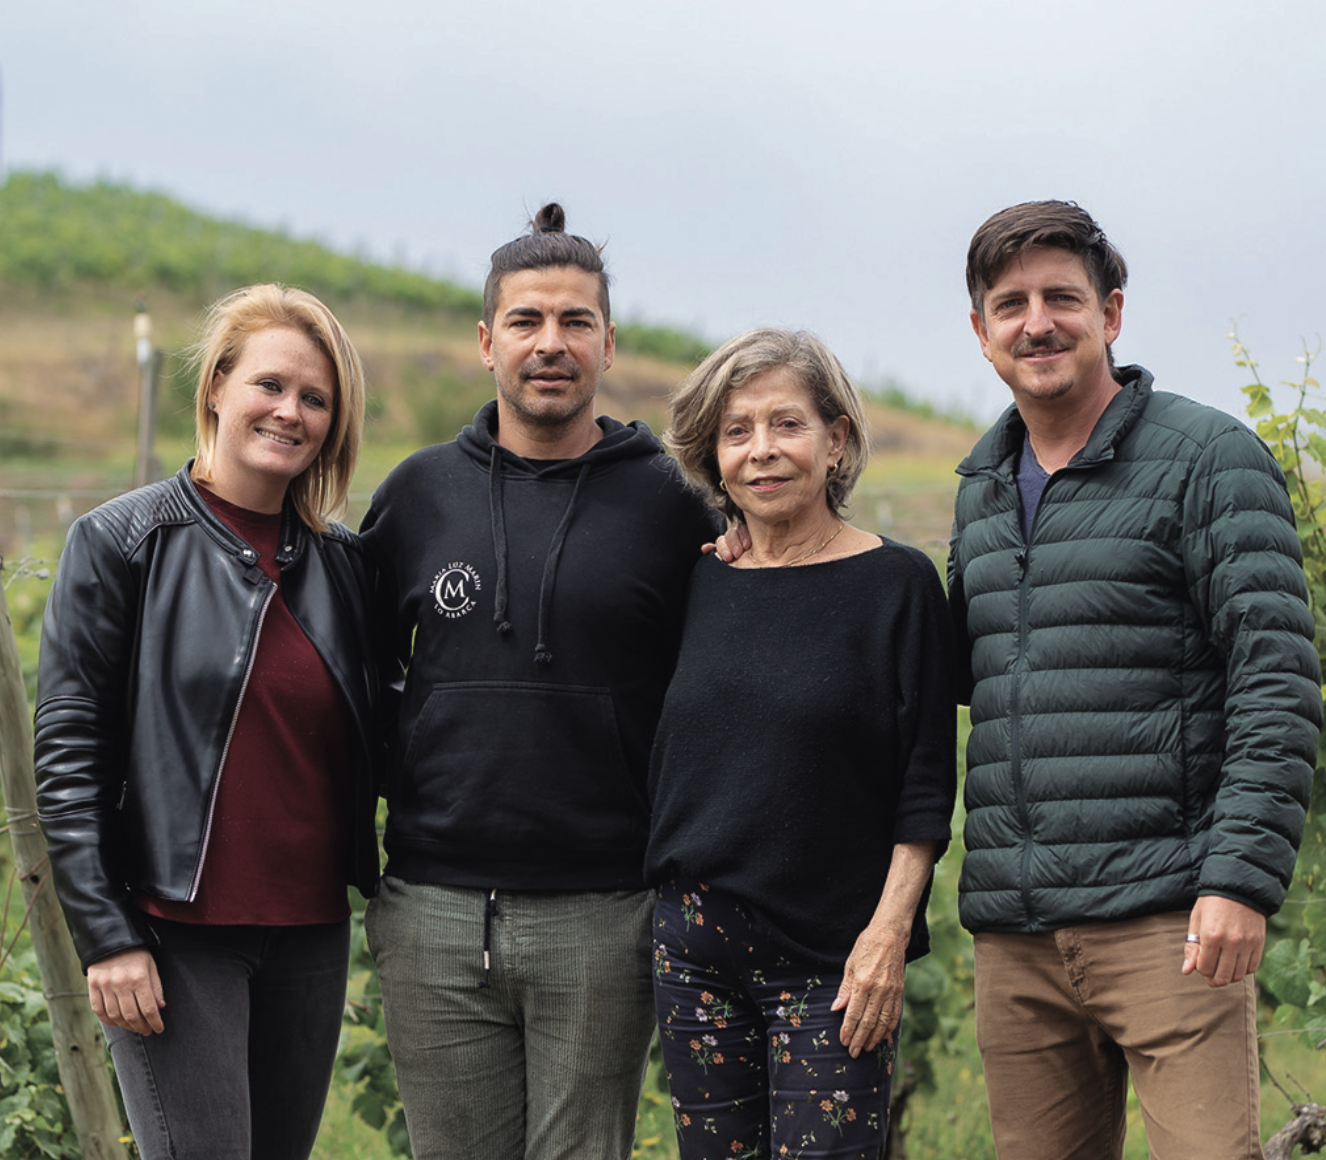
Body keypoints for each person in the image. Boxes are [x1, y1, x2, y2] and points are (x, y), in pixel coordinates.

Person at [948, 200, 1323, 1159]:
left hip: (1171, 926)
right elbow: (961, 667)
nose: (1037, 321)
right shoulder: (982, 485)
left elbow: (1275, 678)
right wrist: (773, 549)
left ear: (1111, 313)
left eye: (1062, 297)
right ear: (981, 331)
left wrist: (1240, 878)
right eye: (1010, 302)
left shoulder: (1207, 458)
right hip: (1019, 935)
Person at [359, 204, 721, 1160]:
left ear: (610, 341)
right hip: (432, 909)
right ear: (487, 342)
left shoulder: (675, 503)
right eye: (526, 322)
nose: (549, 344)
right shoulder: (417, 494)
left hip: (603, 910)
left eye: (574, 322)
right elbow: (355, 680)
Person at [34, 284, 381, 1160]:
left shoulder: (344, 567)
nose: (290, 412)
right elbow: (69, 754)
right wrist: (106, 935)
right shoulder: (122, 544)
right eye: (269, 384)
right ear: (218, 386)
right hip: (174, 937)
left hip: (308, 935)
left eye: (315, 398)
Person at [647, 328, 957, 1158]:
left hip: (835, 960)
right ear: (714, 457)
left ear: (837, 439)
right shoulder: (698, 576)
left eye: (787, 424)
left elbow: (925, 786)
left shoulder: (897, 586)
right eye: (737, 431)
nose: (763, 451)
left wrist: (888, 936)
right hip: (693, 952)